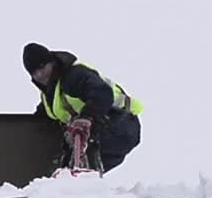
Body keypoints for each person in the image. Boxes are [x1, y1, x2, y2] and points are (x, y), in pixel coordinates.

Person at [22, 43, 143, 172]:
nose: (40, 75)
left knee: (84, 145)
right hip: (107, 130)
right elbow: (42, 119)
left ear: (51, 62)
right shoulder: (49, 97)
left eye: (42, 67)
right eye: (34, 73)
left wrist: (86, 117)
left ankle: (81, 178)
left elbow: (103, 93)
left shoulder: (73, 75)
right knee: (66, 166)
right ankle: (78, 185)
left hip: (121, 123)